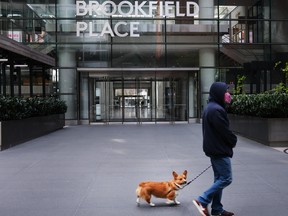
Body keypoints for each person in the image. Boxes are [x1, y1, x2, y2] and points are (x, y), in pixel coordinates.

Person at [193, 82, 237, 216]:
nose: (228, 94)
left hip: (214, 148)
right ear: (219, 92)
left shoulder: (211, 107)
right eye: (225, 91)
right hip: (219, 149)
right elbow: (224, 131)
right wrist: (233, 140)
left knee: (219, 178)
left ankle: (217, 209)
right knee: (226, 178)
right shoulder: (216, 110)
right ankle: (202, 200)